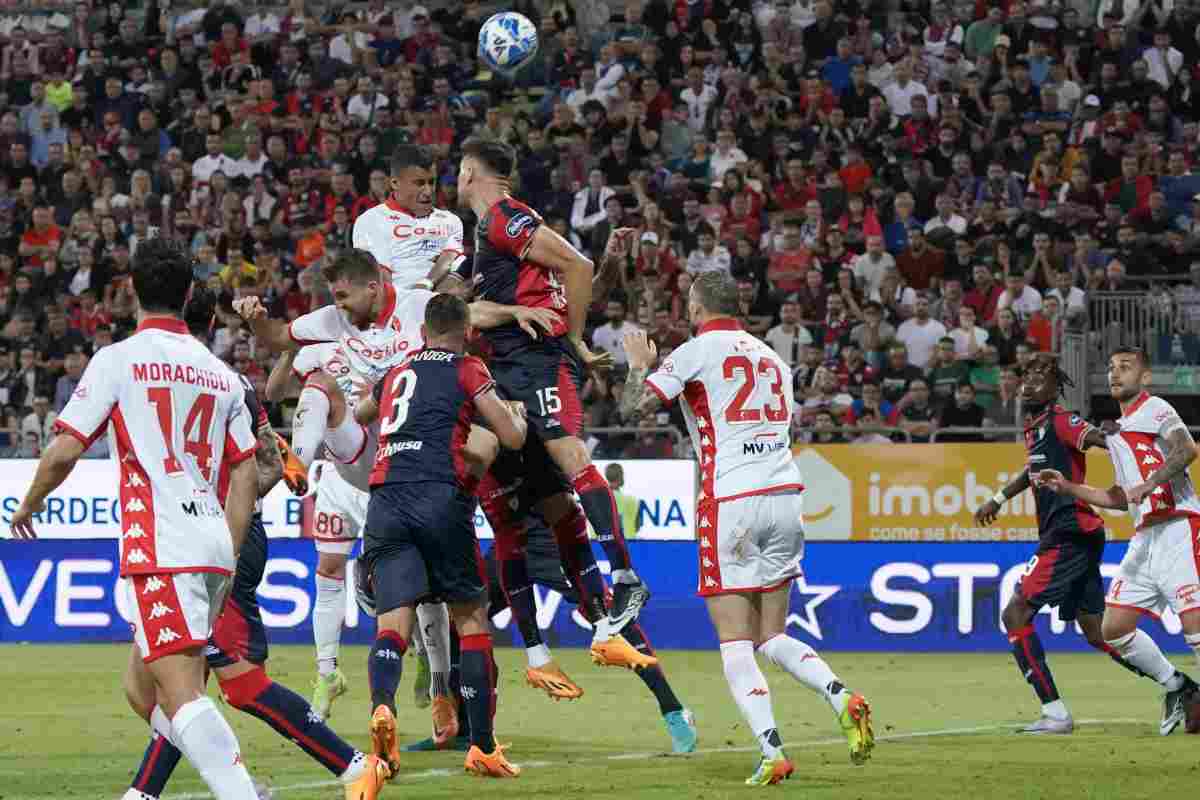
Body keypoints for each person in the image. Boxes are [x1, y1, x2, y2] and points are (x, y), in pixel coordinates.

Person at [11, 238, 265, 799]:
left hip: (163, 543)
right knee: (141, 690)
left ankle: (243, 791)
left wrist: (27, 504)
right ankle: (207, 779)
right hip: (212, 543)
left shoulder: (118, 360)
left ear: (131, 291)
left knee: (180, 696)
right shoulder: (220, 373)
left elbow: (65, 448)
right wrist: (229, 546)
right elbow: (247, 470)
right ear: (191, 293)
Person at [120, 288, 389, 800]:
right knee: (153, 687)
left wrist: (224, 526)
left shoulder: (209, 382)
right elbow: (270, 460)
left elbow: (266, 465)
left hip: (218, 546)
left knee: (233, 685)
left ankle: (353, 767)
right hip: (185, 544)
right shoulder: (203, 381)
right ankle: (162, 791)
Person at [619, 271, 875, 785]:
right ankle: (842, 697)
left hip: (730, 498)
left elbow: (633, 410)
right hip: (786, 494)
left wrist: (637, 368)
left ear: (695, 308)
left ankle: (772, 750)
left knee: (735, 642)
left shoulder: (695, 351)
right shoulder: (773, 358)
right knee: (772, 634)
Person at [447, 137, 654, 655]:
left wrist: (577, 341)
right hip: (509, 367)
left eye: (456, 172)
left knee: (569, 453)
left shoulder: (504, 217)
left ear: (470, 173)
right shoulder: (493, 236)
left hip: (536, 363)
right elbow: (573, 284)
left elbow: (576, 269)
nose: (453, 180)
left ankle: (626, 576)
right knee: (547, 497)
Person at [353, 293, 529, 778]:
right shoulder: (467, 367)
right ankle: (484, 747)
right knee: (472, 621)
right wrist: (514, 416)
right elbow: (510, 437)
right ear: (467, 330)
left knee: (393, 623)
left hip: (385, 499)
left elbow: (361, 414)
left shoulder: (397, 371)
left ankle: (383, 708)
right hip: (438, 493)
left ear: (425, 330)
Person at [973, 354, 1147, 734]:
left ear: (1056, 388)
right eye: (1027, 374)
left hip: (1067, 532)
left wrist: (1116, 434)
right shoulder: (1034, 426)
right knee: (1097, 631)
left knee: (1015, 615)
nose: (1031, 381)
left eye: (1041, 375)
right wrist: (998, 499)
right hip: (1079, 532)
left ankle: (1054, 713)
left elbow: (1097, 438)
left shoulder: (1060, 419)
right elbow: (1032, 471)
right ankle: (1178, 685)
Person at [1035, 347, 1200, 736]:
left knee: (1195, 628)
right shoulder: (1118, 432)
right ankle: (1177, 686)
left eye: (1125, 368)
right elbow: (1117, 496)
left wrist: (1150, 483)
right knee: (1114, 629)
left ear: (1144, 378)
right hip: (1144, 538)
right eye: (1110, 368)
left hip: (1179, 526)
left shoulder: (1156, 407)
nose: (1115, 374)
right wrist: (1068, 486)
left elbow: (1186, 449)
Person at [351, 144, 465, 292]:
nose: (428, 191)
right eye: (419, 183)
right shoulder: (370, 220)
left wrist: (427, 287)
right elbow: (380, 281)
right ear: (395, 183)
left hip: (443, 304)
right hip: (397, 307)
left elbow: (456, 268)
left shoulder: (450, 220)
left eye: (432, 182)